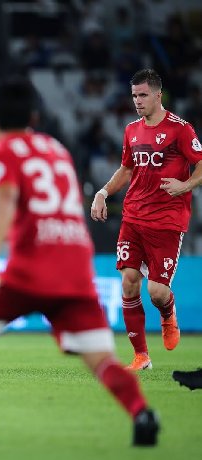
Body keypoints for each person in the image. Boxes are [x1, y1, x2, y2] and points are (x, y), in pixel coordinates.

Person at [0, 77, 159, 446]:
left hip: (29, 271)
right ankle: (141, 411)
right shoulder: (56, 148)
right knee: (99, 357)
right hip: (75, 269)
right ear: (34, 117)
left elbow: (4, 200)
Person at [90, 68, 202, 371]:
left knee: (156, 291)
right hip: (133, 217)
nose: (137, 101)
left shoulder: (181, 129)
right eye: (134, 96)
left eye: (142, 95)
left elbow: (201, 164)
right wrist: (102, 192)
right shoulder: (131, 130)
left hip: (167, 221)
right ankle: (141, 356)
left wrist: (186, 185)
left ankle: (168, 313)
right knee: (128, 282)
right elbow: (126, 169)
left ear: (157, 95)